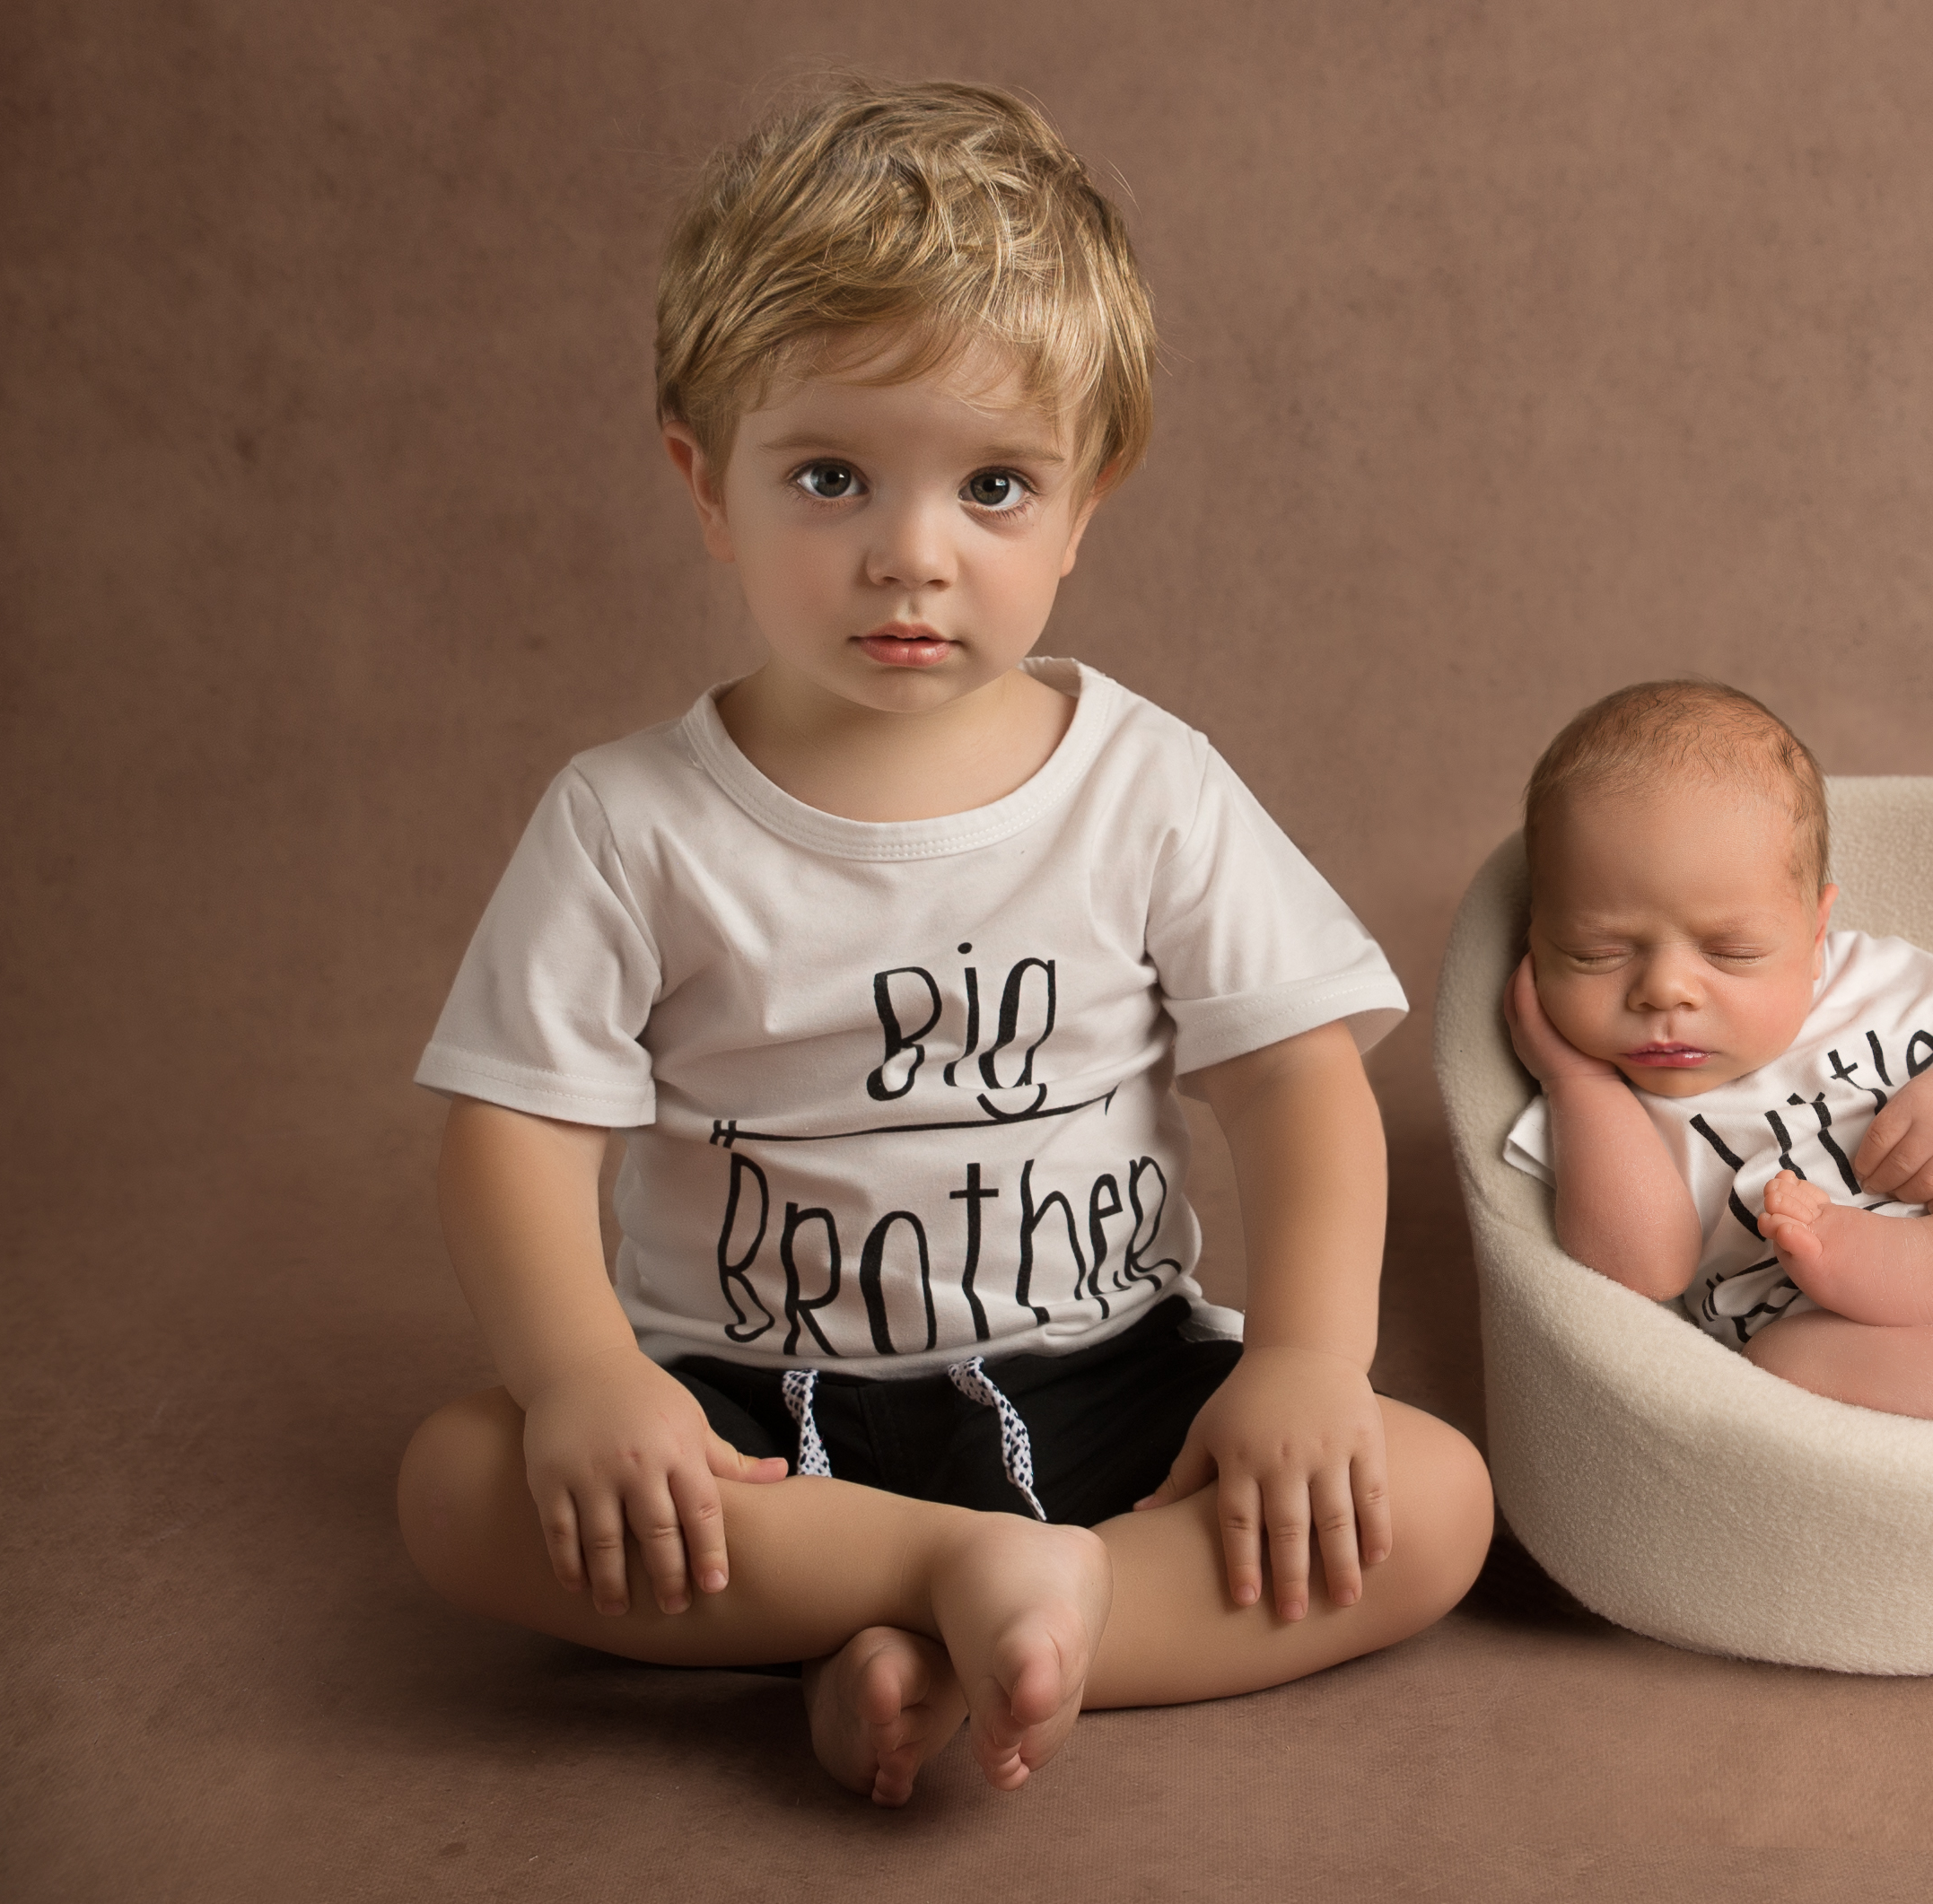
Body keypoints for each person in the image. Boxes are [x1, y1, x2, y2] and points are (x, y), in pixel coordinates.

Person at [394, 77, 1491, 1808]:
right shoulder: (631, 822)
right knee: (464, 1485)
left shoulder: (1146, 785)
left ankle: (952, 1635)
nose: (910, 556)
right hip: (754, 1416)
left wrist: (1299, 1360)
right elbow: (513, 1135)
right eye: (829, 476)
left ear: (1083, 505)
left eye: (992, 486)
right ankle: (952, 1592)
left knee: (1427, 1500)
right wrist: (587, 1378)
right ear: (705, 483)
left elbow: (1295, 1089)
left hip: (1110, 1378)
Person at [1498, 680, 1933, 1423]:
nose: (1665, 991)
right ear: (1537, 936)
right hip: (1852, 1336)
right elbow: (1643, 1272)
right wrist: (1575, 1080)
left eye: (1730, 952)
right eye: (1597, 953)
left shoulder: (1873, 980)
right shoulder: (1597, 1107)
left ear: (1814, 928)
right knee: (1781, 1363)